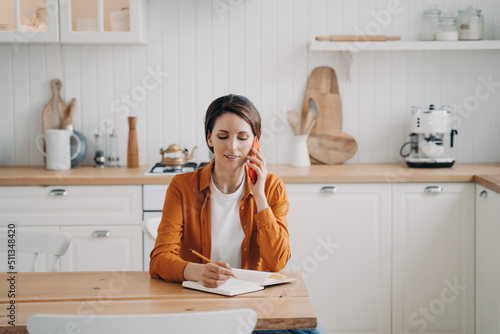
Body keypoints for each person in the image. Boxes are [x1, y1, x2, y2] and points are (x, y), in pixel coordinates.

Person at [149, 94, 325, 334]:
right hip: (198, 301)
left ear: (255, 142)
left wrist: (259, 196)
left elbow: (277, 262)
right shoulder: (182, 186)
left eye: (243, 137)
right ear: (209, 138)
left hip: (252, 303)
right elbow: (159, 260)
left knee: (312, 332)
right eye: (223, 136)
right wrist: (197, 272)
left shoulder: (272, 187)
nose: (232, 146)